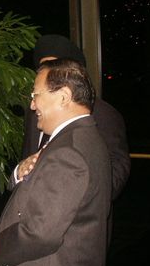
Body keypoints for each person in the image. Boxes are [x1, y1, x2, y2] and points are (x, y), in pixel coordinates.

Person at [0, 58, 111, 266]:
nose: (32, 105)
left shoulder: (69, 151)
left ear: (64, 96)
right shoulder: (82, 138)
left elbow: (40, 233)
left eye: (36, 95)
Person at [19, 34, 130, 200]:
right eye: (44, 68)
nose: (50, 74)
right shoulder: (34, 111)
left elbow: (115, 175)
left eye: (57, 68)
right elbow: (26, 157)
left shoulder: (104, 114)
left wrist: (73, 196)